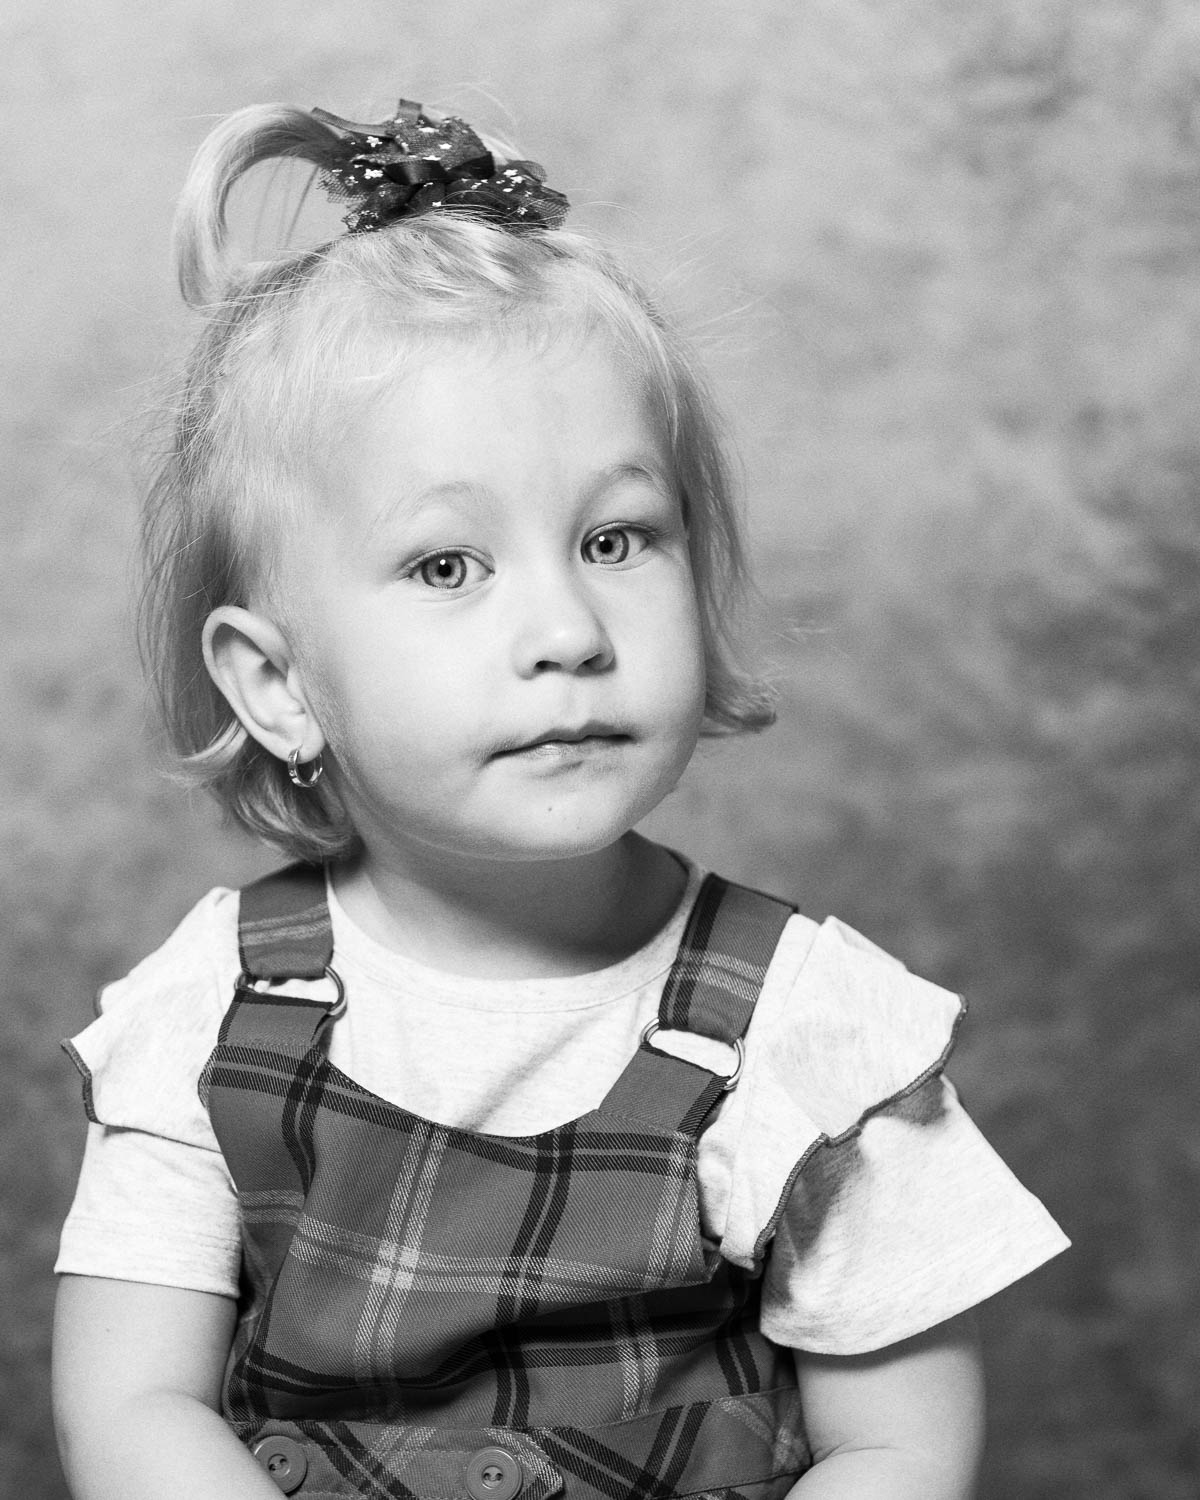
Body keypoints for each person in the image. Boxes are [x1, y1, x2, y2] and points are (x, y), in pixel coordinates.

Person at [51, 94, 1068, 1500]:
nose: (570, 629)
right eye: (448, 566)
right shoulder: (211, 1016)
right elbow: (133, 1412)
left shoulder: (806, 1030)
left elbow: (899, 1451)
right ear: (277, 684)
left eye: (615, 537)